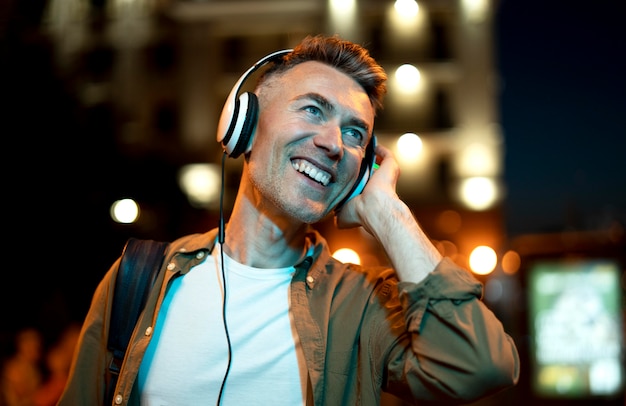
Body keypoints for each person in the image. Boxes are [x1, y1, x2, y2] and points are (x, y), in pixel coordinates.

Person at [58, 34, 519, 405]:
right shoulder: (139, 277)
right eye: (313, 109)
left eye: (354, 132)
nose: (334, 142)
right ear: (244, 124)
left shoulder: (363, 305)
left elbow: (480, 366)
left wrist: (388, 213)